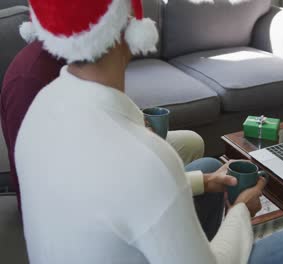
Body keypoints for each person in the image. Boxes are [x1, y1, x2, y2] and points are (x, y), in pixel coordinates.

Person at [14, 0, 283, 263]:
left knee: (210, 169)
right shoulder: (145, 160)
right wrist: (240, 213)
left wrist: (202, 182)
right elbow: (133, 183)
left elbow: (106, 193)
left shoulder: (40, 107)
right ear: (128, 25)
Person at [1, 41, 204, 215]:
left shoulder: (77, 54)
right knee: (208, 171)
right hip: (68, 202)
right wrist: (200, 181)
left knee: (191, 142)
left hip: (98, 156)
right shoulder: (29, 81)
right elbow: (55, 180)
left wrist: (132, 126)